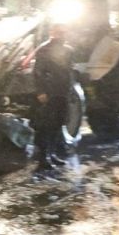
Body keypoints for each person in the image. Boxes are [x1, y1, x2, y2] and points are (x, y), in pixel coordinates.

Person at [32, 23, 73, 172]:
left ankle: (52, 153)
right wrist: (41, 91)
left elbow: (68, 72)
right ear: (52, 33)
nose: (61, 34)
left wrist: (70, 91)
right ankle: (43, 158)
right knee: (46, 126)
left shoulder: (68, 50)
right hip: (50, 93)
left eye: (63, 32)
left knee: (58, 124)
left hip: (62, 92)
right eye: (58, 32)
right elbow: (38, 72)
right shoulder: (44, 50)